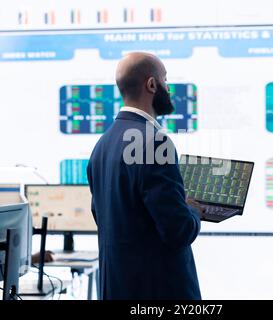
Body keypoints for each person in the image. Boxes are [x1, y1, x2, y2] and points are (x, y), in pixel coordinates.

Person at [87, 52, 205, 300]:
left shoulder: (103, 143)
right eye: (165, 79)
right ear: (151, 84)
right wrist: (193, 210)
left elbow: (104, 215)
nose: (168, 88)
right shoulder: (153, 142)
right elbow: (178, 231)